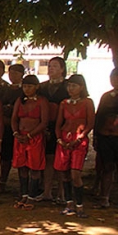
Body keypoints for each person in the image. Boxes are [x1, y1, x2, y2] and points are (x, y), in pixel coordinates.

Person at [54, 74, 95, 217]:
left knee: (75, 174)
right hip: (64, 140)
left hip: (79, 140)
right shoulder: (64, 103)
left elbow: (90, 124)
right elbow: (58, 124)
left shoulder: (87, 102)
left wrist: (79, 139)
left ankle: (80, 205)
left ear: (81, 87)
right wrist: (59, 139)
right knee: (64, 173)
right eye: (69, 85)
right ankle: (69, 203)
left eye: (74, 86)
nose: (70, 88)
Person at [11, 75, 49, 210]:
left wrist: (29, 135)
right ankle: (24, 194)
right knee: (22, 167)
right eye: (25, 86)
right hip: (20, 138)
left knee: (35, 167)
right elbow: (14, 118)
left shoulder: (41, 101)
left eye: (30, 86)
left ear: (37, 87)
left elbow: (44, 122)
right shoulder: (20, 101)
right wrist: (16, 133)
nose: (27, 89)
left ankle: (32, 197)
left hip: (35, 139)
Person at [37, 56, 69, 202]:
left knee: (63, 160)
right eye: (50, 66)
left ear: (62, 69)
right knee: (48, 159)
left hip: (64, 127)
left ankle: (62, 194)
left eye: (55, 66)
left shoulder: (69, 87)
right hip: (46, 126)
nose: (51, 69)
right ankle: (47, 191)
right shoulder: (42, 87)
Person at [93, 68, 118, 208]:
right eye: (113, 77)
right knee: (106, 167)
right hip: (105, 136)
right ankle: (104, 198)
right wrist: (96, 136)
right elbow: (99, 116)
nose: (115, 80)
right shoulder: (106, 97)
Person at [0, 63, 25, 193]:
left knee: (21, 157)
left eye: (15, 73)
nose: (12, 75)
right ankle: (2, 182)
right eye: (10, 72)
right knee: (5, 157)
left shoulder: (24, 90)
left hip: (21, 128)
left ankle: (23, 186)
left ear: (22, 75)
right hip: (5, 127)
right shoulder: (4, 89)